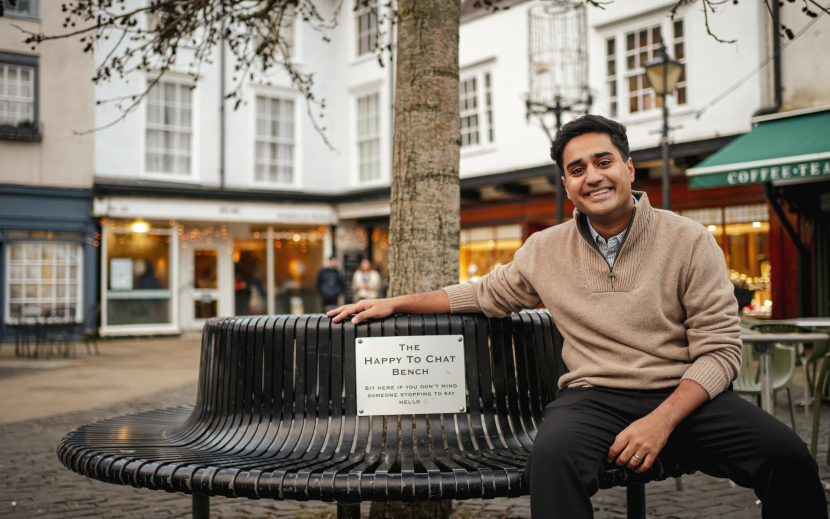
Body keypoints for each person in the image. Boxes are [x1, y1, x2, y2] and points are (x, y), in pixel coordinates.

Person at [329, 115, 827, 518]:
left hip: (685, 395)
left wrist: (660, 421)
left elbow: (720, 352)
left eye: (603, 161)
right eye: (576, 168)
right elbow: (481, 294)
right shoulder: (544, 250)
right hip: (594, 399)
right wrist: (397, 302)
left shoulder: (689, 239)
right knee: (553, 461)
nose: (592, 176)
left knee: (789, 459)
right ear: (566, 184)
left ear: (630, 168)